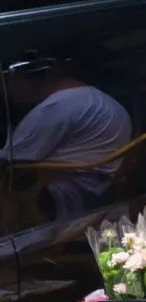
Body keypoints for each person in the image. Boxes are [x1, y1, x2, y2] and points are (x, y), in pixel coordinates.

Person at [1, 57, 132, 218]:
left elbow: (9, 162)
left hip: (59, 201)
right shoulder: (91, 97)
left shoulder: (54, 108)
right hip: (99, 191)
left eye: (9, 80)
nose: (7, 89)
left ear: (37, 76)